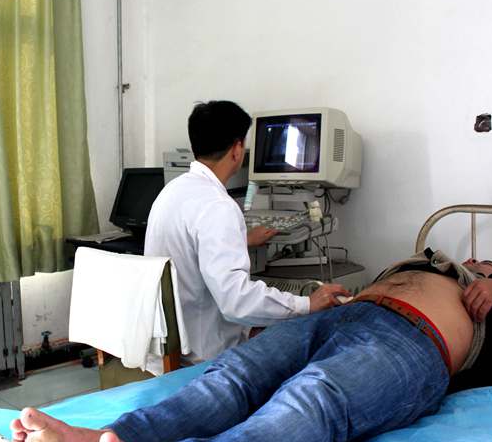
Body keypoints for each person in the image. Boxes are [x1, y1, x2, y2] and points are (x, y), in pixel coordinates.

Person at [9, 249, 492, 442]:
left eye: (485, 261)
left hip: (413, 341)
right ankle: (110, 440)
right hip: (342, 315)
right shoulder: (429, 260)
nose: (475, 259)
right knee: (232, 374)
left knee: (314, 396)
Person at [144, 100, 347, 361]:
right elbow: (236, 303)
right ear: (237, 149)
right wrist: (307, 303)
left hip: (169, 345)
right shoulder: (219, 207)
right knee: (307, 343)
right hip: (203, 355)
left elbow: (194, 245)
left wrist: (241, 239)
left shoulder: (172, 191)